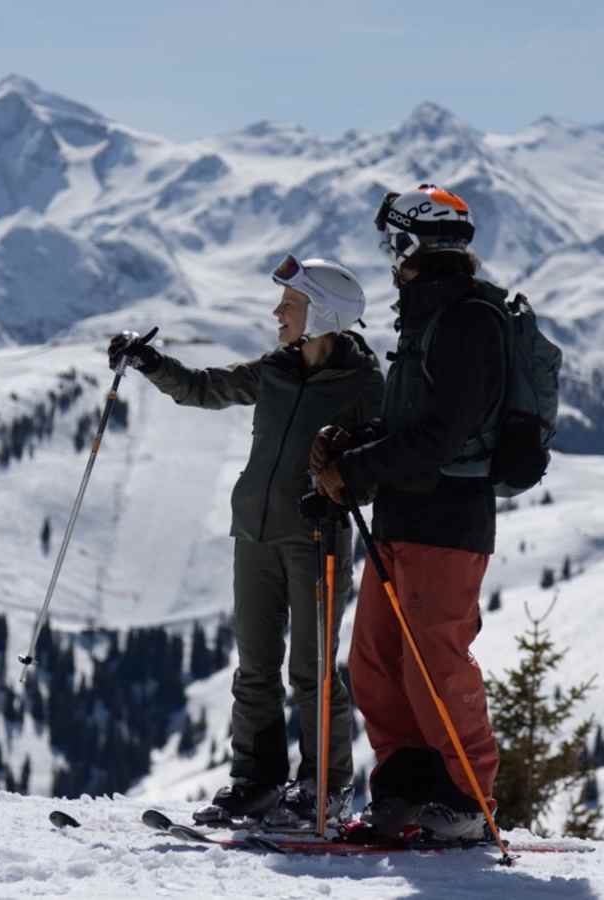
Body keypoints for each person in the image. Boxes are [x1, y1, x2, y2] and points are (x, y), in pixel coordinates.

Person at [108, 255, 383, 824]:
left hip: (317, 538)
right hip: (255, 533)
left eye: (291, 303)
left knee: (311, 671)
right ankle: (255, 781)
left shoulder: (365, 385)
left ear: (324, 313)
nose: (277, 312)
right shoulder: (277, 368)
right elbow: (206, 389)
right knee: (255, 666)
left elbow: (381, 462)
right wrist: (150, 362)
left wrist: (343, 483)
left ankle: (324, 790)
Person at [310, 184, 507, 841]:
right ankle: (406, 792)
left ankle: (467, 803)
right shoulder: (424, 317)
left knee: (435, 666)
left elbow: (440, 438)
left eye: (390, 241)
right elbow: (411, 427)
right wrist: (352, 449)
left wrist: (358, 470)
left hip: (447, 524)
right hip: (403, 520)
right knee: (377, 664)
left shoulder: (468, 320)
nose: (387, 255)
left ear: (407, 243)